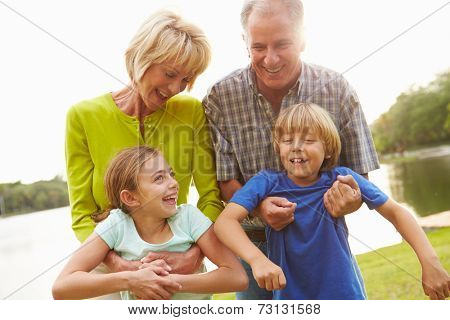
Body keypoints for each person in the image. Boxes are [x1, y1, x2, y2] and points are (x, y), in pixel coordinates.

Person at [203, 0, 376, 299]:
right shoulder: (221, 96)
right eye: (259, 47)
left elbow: (359, 178)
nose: (270, 59)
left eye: (282, 44)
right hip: (254, 248)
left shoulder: (337, 89)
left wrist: (349, 200)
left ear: (303, 38)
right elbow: (225, 181)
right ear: (244, 42)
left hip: (324, 248)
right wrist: (260, 208)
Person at [214, 103, 450, 300]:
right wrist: (257, 260)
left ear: (327, 149)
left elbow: (396, 212)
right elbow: (225, 223)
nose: (296, 146)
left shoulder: (341, 179)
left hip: (344, 297)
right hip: (290, 299)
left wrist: (430, 262)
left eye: (307, 140)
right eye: (287, 140)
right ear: (279, 147)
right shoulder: (265, 182)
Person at [65, 10, 224, 298]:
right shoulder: (83, 116)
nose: (175, 88)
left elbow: (210, 197)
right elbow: (81, 213)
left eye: (186, 79)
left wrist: (195, 254)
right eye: (170, 73)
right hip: (108, 265)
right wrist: (122, 267)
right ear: (142, 59)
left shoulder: (191, 111)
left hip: (181, 260)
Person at [53, 146, 248, 300]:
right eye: (159, 178)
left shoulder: (189, 218)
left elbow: (237, 277)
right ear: (130, 198)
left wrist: (169, 281)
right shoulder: (116, 225)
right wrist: (131, 280)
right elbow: (62, 287)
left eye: (171, 174)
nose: (173, 183)